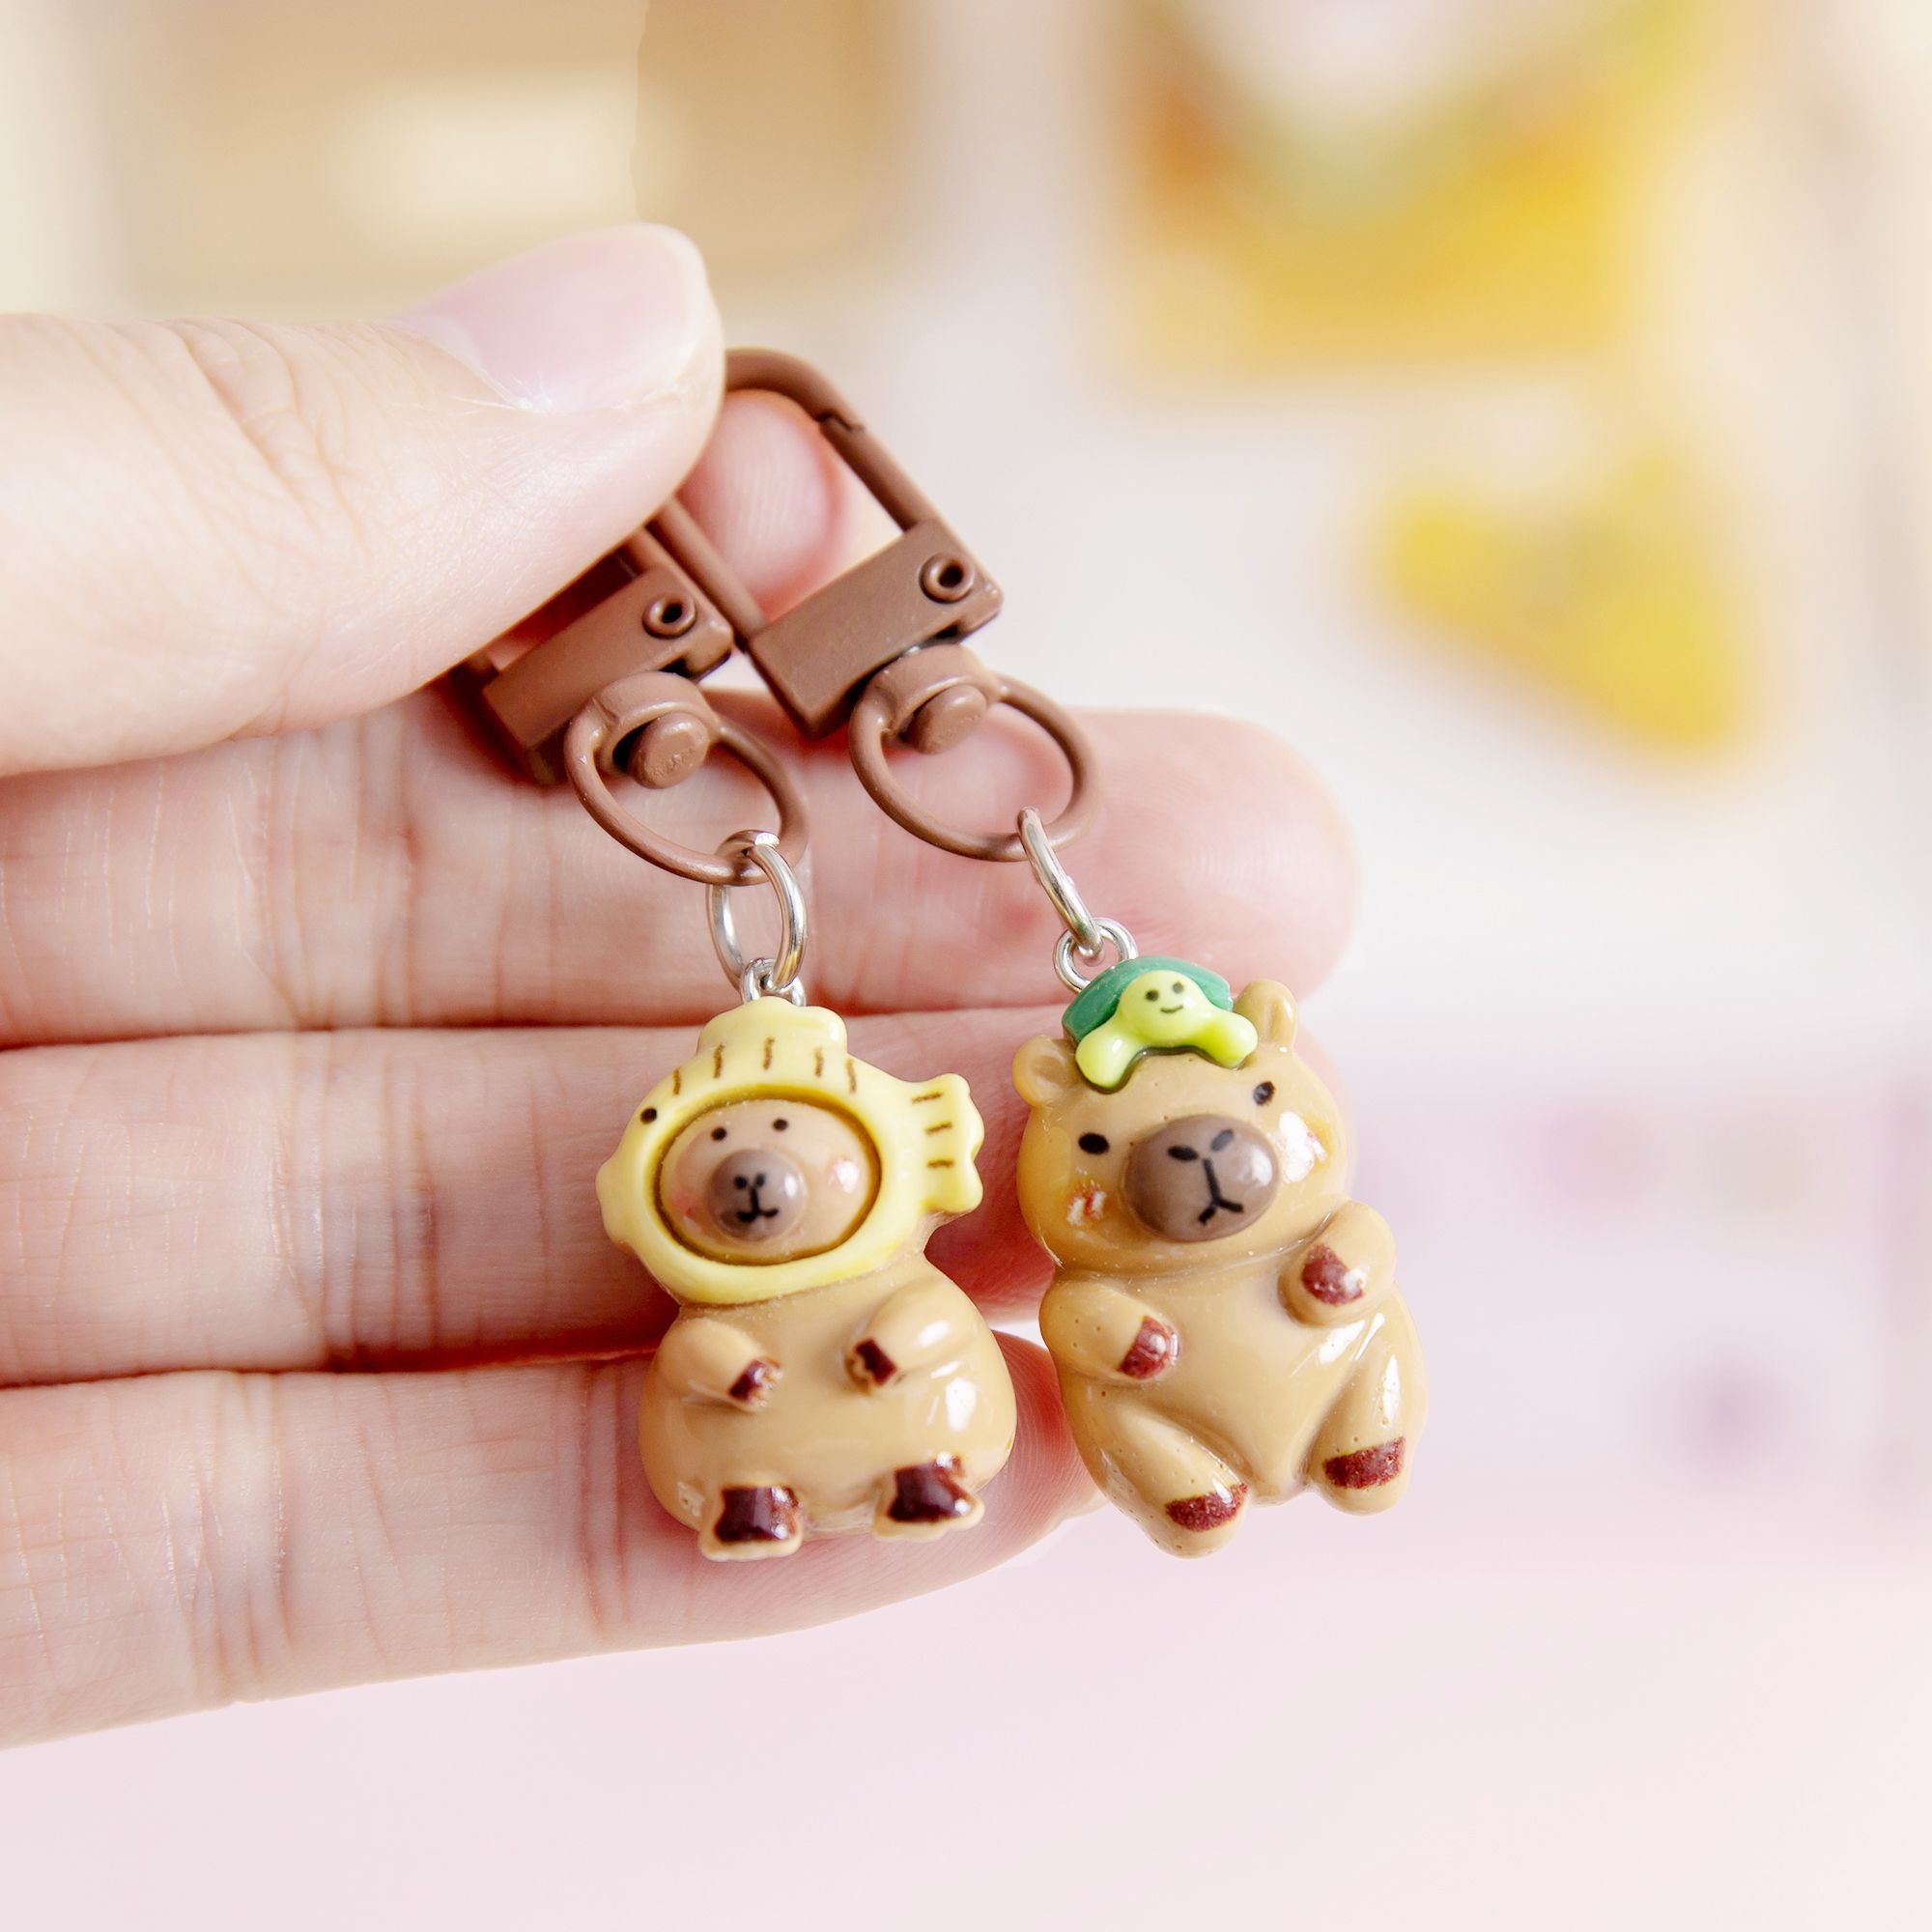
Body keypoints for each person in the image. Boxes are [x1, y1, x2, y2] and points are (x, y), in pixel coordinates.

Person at [0, 225, 1355, 1744]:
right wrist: (738, 1364)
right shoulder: (729, 1264)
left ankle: (964, 1463)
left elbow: (949, 1324)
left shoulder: (929, 1249)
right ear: (650, 1190)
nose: (764, 1184)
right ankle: (779, 1496)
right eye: (730, 1157)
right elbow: (709, 1358)